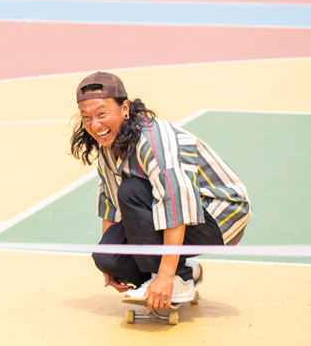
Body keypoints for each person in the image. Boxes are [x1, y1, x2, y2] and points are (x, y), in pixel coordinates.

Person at [71, 72, 250, 312]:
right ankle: (187, 272)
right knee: (107, 257)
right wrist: (112, 262)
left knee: (132, 190)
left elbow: (178, 205)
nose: (95, 125)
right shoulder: (109, 147)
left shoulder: (154, 142)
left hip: (219, 214)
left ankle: (175, 279)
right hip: (178, 213)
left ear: (125, 108)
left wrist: (165, 276)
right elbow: (112, 206)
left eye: (102, 114)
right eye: (87, 117)